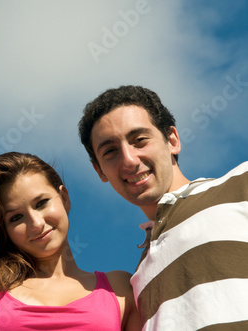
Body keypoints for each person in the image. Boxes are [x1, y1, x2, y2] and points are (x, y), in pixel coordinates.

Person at [78, 85, 248, 329]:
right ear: (99, 171)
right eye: (111, 151)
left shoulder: (241, 184)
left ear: (172, 140)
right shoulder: (135, 280)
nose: (128, 160)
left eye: (139, 140)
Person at [0, 151, 141, 330]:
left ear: (64, 198)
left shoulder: (119, 288)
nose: (36, 224)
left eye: (41, 203)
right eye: (16, 217)